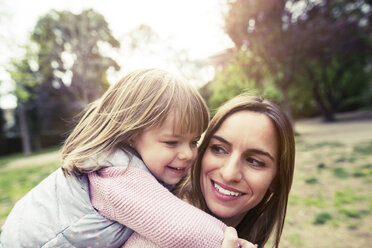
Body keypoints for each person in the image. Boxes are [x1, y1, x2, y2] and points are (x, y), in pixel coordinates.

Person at [1, 68, 228, 248]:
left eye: (194, 141)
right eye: (171, 142)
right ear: (130, 135)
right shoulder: (118, 172)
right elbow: (180, 230)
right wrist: (229, 241)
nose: (188, 154)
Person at [123, 93, 295, 248]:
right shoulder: (164, 228)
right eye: (219, 149)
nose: (229, 174)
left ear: (276, 180)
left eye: (254, 161)